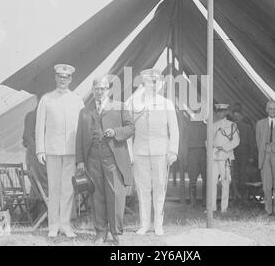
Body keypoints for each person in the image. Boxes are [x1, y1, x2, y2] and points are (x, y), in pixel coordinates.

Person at [75, 76, 134, 246]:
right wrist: (80, 161)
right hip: (92, 159)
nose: (99, 92)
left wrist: (115, 132)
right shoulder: (84, 111)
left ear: (108, 89)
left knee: (115, 194)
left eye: (102, 89)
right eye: (96, 89)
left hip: (113, 159)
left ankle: (116, 233)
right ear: (92, 91)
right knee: (96, 196)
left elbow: (131, 128)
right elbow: (79, 138)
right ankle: (100, 232)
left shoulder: (120, 107)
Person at [35, 64, 85, 238]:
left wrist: (80, 152)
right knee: (54, 189)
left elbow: (81, 128)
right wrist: (40, 150)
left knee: (67, 190)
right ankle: (53, 226)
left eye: (66, 77)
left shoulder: (77, 100)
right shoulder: (46, 99)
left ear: (71, 79)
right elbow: (40, 126)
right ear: (55, 78)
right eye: (60, 76)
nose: (63, 80)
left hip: (71, 151)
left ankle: (65, 225)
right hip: (52, 150)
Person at [129, 69, 179, 236]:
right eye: (148, 82)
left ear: (160, 84)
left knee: (159, 188)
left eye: (155, 82)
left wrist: (172, 150)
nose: (152, 85)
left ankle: (158, 224)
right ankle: (144, 224)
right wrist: (130, 152)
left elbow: (174, 129)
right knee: (143, 189)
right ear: (143, 84)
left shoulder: (166, 103)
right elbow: (129, 128)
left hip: (160, 151)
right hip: (140, 150)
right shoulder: (135, 103)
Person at [211, 104, 240, 213]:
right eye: (219, 111)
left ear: (226, 112)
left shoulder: (232, 125)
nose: (221, 113)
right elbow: (208, 141)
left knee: (225, 182)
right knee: (212, 182)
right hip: (214, 156)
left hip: (225, 156)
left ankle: (224, 208)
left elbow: (236, 141)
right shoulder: (212, 125)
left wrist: (224, 148)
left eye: (223, 111)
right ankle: (212, 207)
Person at [23, 98, 48, 195]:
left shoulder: (47, 116)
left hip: (43, 157)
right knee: (41, 184)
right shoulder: (31, 116)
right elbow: (27, 138)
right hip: (35, 157)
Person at [233, 109, 258, 203]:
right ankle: (236, 197)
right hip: (234, 155)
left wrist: (251, 156)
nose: (236, 118)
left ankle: (244, 197)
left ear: (242, 116)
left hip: (245, 155)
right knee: (235, 176)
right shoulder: (231, 127)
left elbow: (252, 143)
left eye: (238, 116)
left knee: (244, 176)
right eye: (234, 116)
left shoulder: (247, 127)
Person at [185, 110, 207, 207]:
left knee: (206, 178)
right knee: (193, 179)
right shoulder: (188, 126)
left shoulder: (205, 126)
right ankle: (193, 201)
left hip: (202, 152)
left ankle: (204, 201)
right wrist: (185, 157)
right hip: (192, 152)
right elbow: (184, 142)